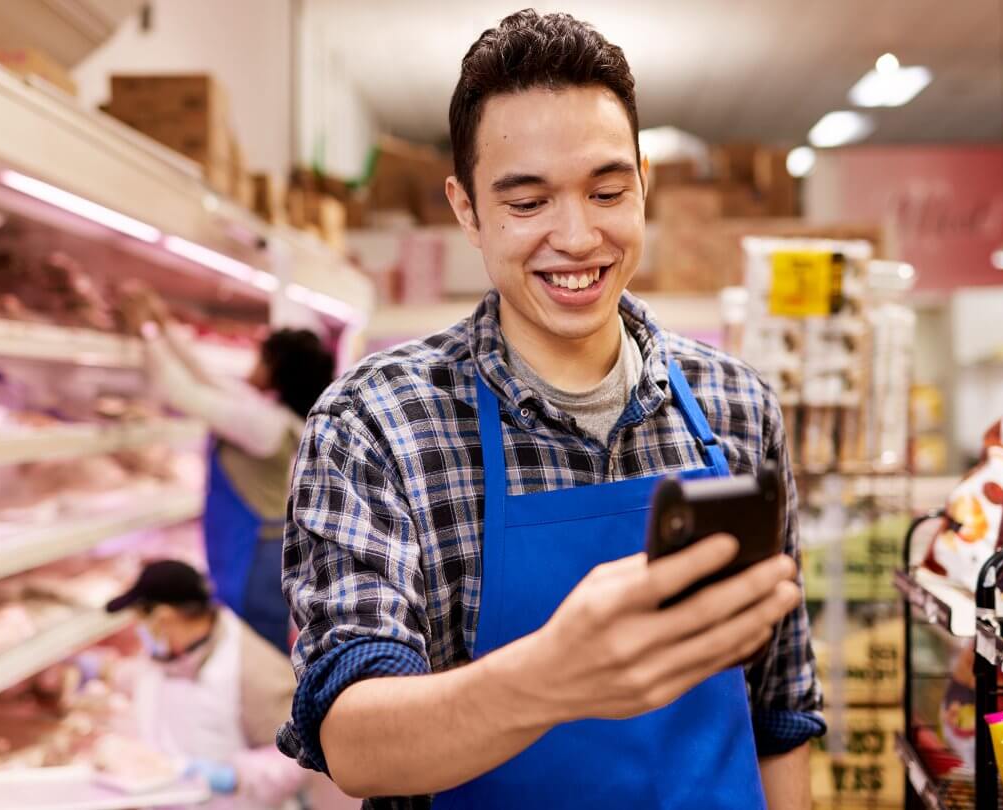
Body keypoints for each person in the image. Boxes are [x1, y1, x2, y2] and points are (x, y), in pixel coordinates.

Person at [276, 11, 823, 809]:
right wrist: (551, 677)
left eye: (607, 191)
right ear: (466, 210)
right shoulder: (376, 425)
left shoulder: (738, 405)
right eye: (528, 203)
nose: (578, 236)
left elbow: (779, 707)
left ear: (644, 180)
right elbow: (351, 738)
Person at [134, 295, 336, 653]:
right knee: (252, 643)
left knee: (251, 649)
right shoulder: (270, 414)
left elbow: (181, 392)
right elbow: (206, 378)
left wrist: (145, 331)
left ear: (278, 369)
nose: (254, 362)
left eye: (262, 356)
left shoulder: (262, 424)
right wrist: (164, 326)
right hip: (256, 546)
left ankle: (267, 707)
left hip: (252, 554)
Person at [104, 559, 307, 809]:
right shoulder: (168, 652)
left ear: (163, 617)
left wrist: (235, 777)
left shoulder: (254, 668)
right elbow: (143, 681)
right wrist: (96, 669)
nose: (139, 630)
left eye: (140, 621)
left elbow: (297, 756)